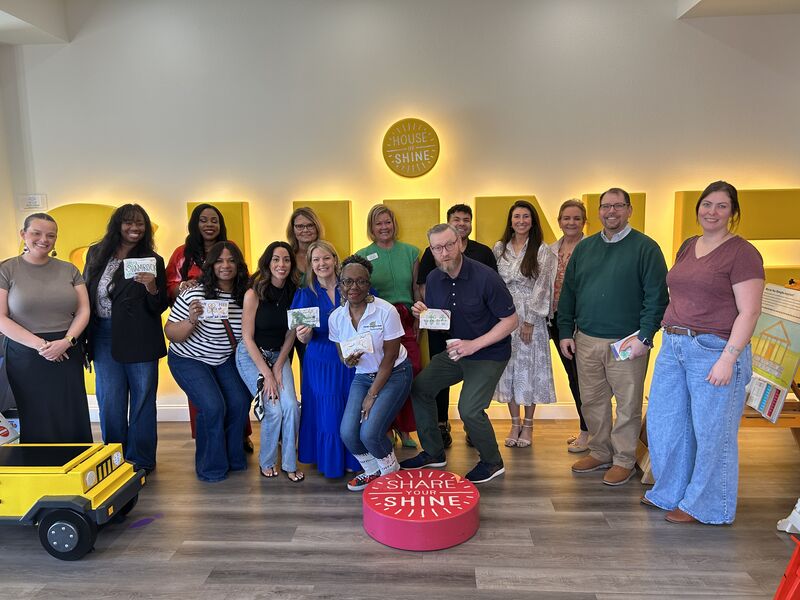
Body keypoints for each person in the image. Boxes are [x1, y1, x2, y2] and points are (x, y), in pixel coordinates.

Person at [643, 181, 763, 524]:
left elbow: (750, 312)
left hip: (714, 349)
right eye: (707, 204)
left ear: (733, 213)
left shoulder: (742, 253)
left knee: (713, 432)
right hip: (674, 345)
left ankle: (707, 505)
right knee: (667, 425)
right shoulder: (688, 245)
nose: (712, 211)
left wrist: (729, 358)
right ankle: (671, 492)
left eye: (721, 206)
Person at [558, 188, 668, 486]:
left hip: (627, 342)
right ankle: (600, 451)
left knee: (627, 403)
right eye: (606, 206)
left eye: (618, 206)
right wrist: (566, 331)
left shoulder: (646, 248)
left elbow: (657, 298)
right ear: (598, 212)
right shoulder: (585, 248)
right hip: (587, 340)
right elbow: (569, 292)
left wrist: (645, 337)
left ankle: (623, 459)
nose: (611, 212)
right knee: (592, 401)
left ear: (629, 210)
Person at [401, 224, 518, 484]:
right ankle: (433, 452)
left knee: (469, 409)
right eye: (437, 248)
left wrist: (474, 344)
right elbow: (444, 319)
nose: (445, 252)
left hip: (488, 353)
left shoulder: (486, 277)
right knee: (420, 388)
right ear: (431, 251)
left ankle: (492, 461)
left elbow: (511, 321)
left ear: (461, 244)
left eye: (449, 244)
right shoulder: (432, 278)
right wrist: (424, 313)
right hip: (456, 351)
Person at [84, 204, 168, 472]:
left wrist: (152, 287)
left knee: (143, 399)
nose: (135, 228)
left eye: (140, 223)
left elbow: (159, 306)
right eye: (129, 223)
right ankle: (114, 459)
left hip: (141, 337)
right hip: (103, 335)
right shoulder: (96, 253)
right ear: (117, 224)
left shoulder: (153, 260)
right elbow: (86, 291)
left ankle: (142, 460)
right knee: (110, 400)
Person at [0, 213, 92, 443]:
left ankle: (77, 466)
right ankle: (42, 469)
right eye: (36, 233)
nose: (44, 239)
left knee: (71, 412)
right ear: (23, 234)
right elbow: (1, 317)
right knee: (35, 414)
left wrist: (66, 342)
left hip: (67, 349)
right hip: (25, 353)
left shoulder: (69, 269)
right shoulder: (7, 269)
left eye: (51, 235)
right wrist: (42, 346)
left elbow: (83, 311)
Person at [165, 242, 251, 482]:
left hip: (223, 359)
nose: (225, 266)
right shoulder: (194, 293)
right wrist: (191, 320)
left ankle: (233, 458)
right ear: (210, 265)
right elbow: (170, 332)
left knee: (240, 401)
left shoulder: (246, 294)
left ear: (239, 265)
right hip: (188, 359)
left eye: (231, 260)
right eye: (219, 261)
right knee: (213, 407)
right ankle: (210, 467)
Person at [328, 255, 413, 491]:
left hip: (395, 372)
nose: (353, 287)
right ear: (340, 285)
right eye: (347, 282)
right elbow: (342, 355)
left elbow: (389, 357)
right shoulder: (336, 317)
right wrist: (348, 360)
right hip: (363, 376)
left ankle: (390, 472)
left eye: (360, 281)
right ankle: (373, 471)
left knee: (370, 432)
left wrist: (372, 395)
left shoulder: (386, 312)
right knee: (347, 432)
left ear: (368, 284)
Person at [417, 203, 497, 448]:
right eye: (456, 219)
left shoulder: (483, 253)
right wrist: (427, 312)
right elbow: (424, 288)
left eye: (466, 219)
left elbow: (493, 293)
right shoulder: (431, 254)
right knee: (435, 380)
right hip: (441, 330)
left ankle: (473, 426)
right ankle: (441, 424)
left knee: (475, 384)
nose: (461, 223)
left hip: (476, 334)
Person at [291, 240, 361, 477]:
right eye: (316, 260)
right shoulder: (305, 294)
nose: (322, 264)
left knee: (352, 408)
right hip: (321, 360)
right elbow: (303, 339)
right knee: (329, 411)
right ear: (311, 264)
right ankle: (331, 462)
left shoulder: (352, 286)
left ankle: (354, 458)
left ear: (335, 259)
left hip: (352, 358)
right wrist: (304, 334)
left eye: (326, 258)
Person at [236, 241, 303, 482]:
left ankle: (288, 463)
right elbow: (247, 337)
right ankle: (266, 462)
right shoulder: (253, 292)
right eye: (276, 259)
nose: (281, 264)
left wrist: (278, 366)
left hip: (279, 355)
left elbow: (291, 334)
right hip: (252, 356)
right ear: (268, 262)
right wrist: (268, 375)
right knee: (274, 409)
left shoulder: (296, 292)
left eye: (286, 259)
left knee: (292, 407)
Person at [493, 200, 557, 447]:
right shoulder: (500, 248)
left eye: (526, 217)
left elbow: (543, 287)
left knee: (528, 371)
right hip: (504, 316)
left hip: (531, 315)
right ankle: (514, 423)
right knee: (508, 369)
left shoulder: (541, 250)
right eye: (517, 216)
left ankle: (528, 425)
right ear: (510, 221)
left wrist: (530, 319)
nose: (521, 221)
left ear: (533, 221)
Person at [356, 204, 420, 447]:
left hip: (405, 317)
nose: (384, 227)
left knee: (409, 372)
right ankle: (386, 427)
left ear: (394, 224)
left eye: (387, 222)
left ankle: (406, 430)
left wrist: (418, 317)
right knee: (381, 372)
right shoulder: (362, 255)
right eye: (378, 223)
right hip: (378, 319)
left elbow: (415, 289)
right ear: (371, 228)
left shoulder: (412, 252)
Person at [548, 199, 589, 452]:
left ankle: (591, 432)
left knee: (587, 380)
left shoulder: (592, 248)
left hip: (582, 323)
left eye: (576, 218)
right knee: (574, 377)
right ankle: (587, 429)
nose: (571, 223)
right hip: (555, 321)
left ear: (584, 222)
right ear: (559, 221)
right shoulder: (552, 249)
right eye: (566, 218)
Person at [166, 203, 228, 301]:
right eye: (203, 221)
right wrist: (183, 287)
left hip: (226, 307)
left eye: (214, 221)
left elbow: (242, 277)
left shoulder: (228, 249)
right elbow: (168, 286)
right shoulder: (181, 252)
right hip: (191, 310)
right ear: (194, 224)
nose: (209, 225)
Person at [286, 207, 323, 285]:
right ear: (292, 229)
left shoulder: (327, 254)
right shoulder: (286, 256)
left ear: (317, 227)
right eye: (300, 226)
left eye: (310, 225)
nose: (305, 230)